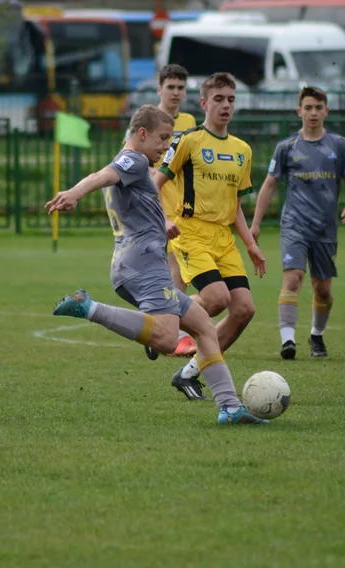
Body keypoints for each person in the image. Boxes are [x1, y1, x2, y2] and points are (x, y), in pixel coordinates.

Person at [46, 104, 267, 425]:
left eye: (171, 139)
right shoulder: (133, 160)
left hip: (138, 264)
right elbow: (102, 175)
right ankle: (88, 307)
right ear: (142, 134)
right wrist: (75, 192)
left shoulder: (136, 165)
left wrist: (160, 223)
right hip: (143, 266)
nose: (166, 146)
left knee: (204, 326)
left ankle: (230, 408)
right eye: (163, 138)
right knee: (165, 340)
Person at [155, 72, 267, 400]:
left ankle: (189, 372)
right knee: (217, 297)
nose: (226, 105)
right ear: (204, 103)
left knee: (244, 309)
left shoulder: (242, 150)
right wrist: (163, 219)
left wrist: (251, 245)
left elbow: (234, 207)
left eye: (231, 99)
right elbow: (155, 184)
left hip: (223, 237)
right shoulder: (188, 141)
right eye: (219, 99)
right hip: (190, 231)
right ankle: (163, 325)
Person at [250, 85, 345, 360]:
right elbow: (269, 185)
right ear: (299, 111)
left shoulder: (339, 145)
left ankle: (316, 336)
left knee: (322, 290)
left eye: (318, 108)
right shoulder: (286, 147)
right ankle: (288, 341)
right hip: (294, 224)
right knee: (293, 279)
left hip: (325, 228)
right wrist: (255, 223)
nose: (313, 113)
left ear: (326, 111)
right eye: (308, 108)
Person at [132, 64, 199, 361]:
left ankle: (161, 329)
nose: (176, 93)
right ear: (159, 89)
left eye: (181, 88)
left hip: (183, 206)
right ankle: (170, 332)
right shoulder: (147, 119)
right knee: (174, 272)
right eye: (170, 87)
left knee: (176, 273)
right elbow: (130, 156)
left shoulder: (190, 121)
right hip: (156, 203)